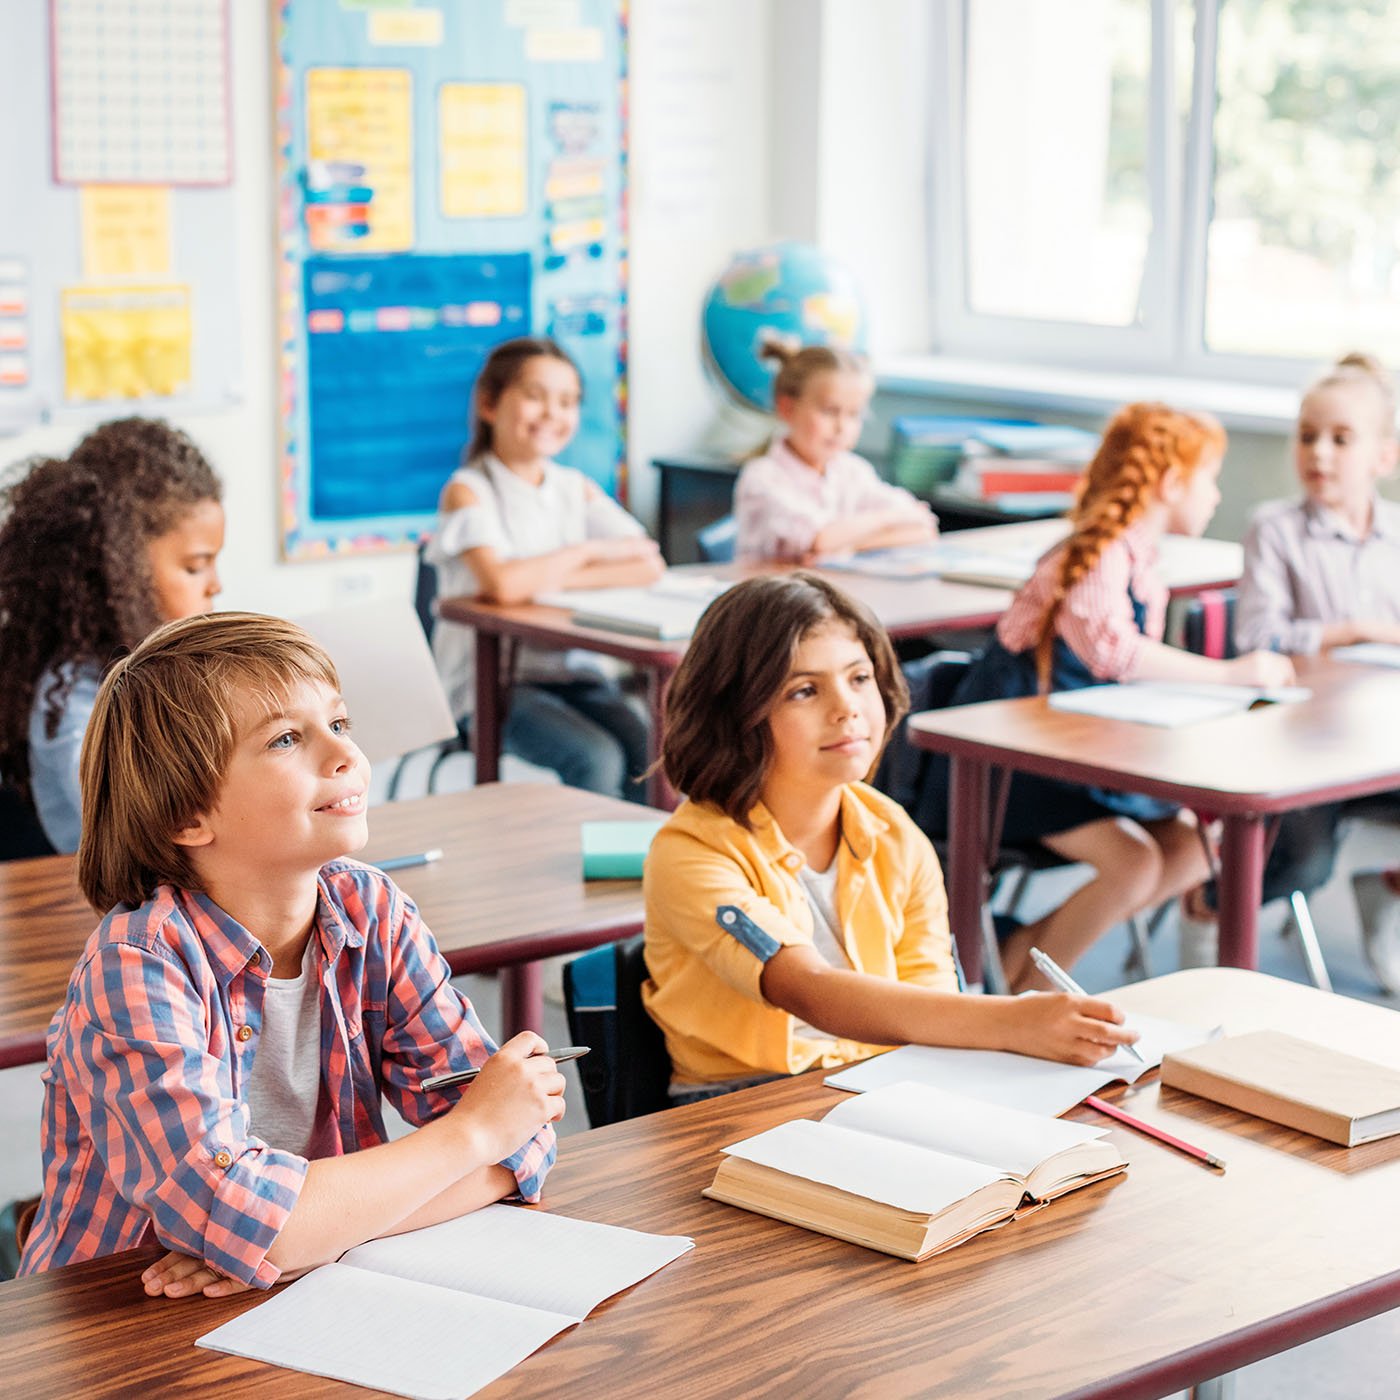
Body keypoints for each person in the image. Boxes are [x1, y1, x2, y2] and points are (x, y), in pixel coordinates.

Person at [19, 613, 562, 1296]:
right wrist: (470, 1138)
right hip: (122, 1317)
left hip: (300, 1293)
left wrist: (312, 1234)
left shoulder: (373, 910)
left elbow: (524, 1143)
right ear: (187, 816)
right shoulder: (136, 965)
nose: (344, 755)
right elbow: (488, 1129)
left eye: (339, 723)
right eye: (285, 739)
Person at [641, 573, 1140, 1100]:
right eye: (804, 691)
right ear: (735, 715)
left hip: (876, 1076)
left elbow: (931, 1002)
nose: (847, 708)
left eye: (859, 678)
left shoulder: (893, 834)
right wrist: (1014, 1021)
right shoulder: (692, 851)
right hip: (738, 1099)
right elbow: (806, 988)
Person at [912, 403, 1295, 990]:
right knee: (1135, 861)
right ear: (1172, 482)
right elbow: (1113, 654)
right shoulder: (1096, 554)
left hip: (1086, 757)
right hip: (1014, 766)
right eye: (1210, 478)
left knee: (1195, 848)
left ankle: (1018, 959)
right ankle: (1033, 988)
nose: (1216, 495)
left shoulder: (1142, 561)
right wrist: (1231, 676)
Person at [429, 336, 662, 801]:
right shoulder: (468, 490)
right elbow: (503, 584)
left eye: (568, 402)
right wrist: (585, 552)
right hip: (491, 685)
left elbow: (647, 562)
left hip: (571, 673)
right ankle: (587, 852)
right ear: (490, 404)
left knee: (649, 751)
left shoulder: (574, 487)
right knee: (595, 758)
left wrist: (544, 578)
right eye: (535, 396)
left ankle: (642, 851)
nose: (553, 413)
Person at [1235, 352, 1400, 991]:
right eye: (1307, 436)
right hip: (1304, 746)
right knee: (1301, 863)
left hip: (1383, 740)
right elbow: (1258, 638)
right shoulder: (1275, 529)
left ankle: (1385, 887)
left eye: (1340, 439)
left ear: (1383, 457)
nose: (1319, 453)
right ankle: (1209, 909)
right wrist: (1355, 631)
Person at [0, 418, 225, 854]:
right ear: (122, 568)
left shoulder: (158, 671)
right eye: (196, 566)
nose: (215, 584)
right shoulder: (71, 703)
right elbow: (139, 838)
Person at [734, 339, 938, 564]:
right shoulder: (762, 478)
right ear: (787, 407)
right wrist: (888, 520)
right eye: (830, 411)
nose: (841, 427)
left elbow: (923, 529)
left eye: (853, 414)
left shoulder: (851, 471)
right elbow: (820, 539)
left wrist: (849, 545)